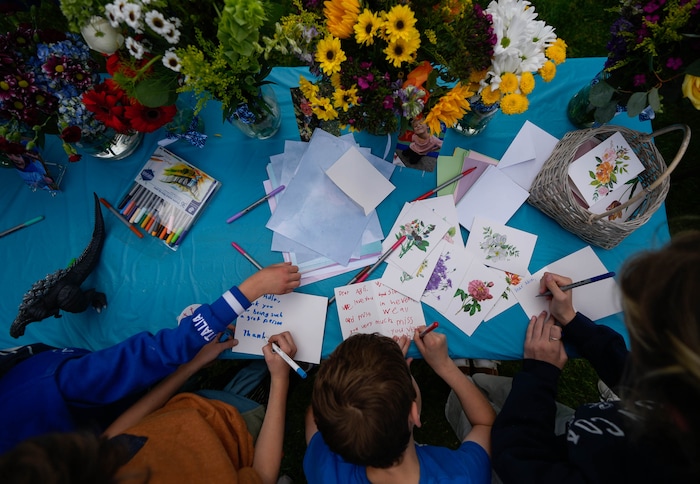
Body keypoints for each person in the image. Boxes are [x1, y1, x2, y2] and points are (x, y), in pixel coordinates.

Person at [0, 262, 301, 454]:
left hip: (130, 408)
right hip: (203, 428)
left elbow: (112, 434)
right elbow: (149, 356)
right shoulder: (49, 388)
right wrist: (251, 290)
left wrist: (190, 365)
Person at [490, 232, 700, 483]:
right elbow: (633, 375)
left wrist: (540, 374)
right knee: (488, 387)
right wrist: (572, 320)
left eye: (643, 338)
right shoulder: (675, 393)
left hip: (523, 456)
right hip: (583, 430)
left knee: (479, 405)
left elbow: (517, 461)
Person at [0, 331, 300, 483]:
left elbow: (118, 433)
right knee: (256, 383)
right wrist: (279, 380)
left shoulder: (87, 466)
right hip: (240, 428)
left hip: (180, 408)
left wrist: (191, 365)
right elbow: (262, 475)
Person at [303, 329, 495, 483]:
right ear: (414, 413)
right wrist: (444, 365)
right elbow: (485, 424)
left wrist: (381, 370)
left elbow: (315, 417)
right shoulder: (463, 476)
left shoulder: (324, 466)